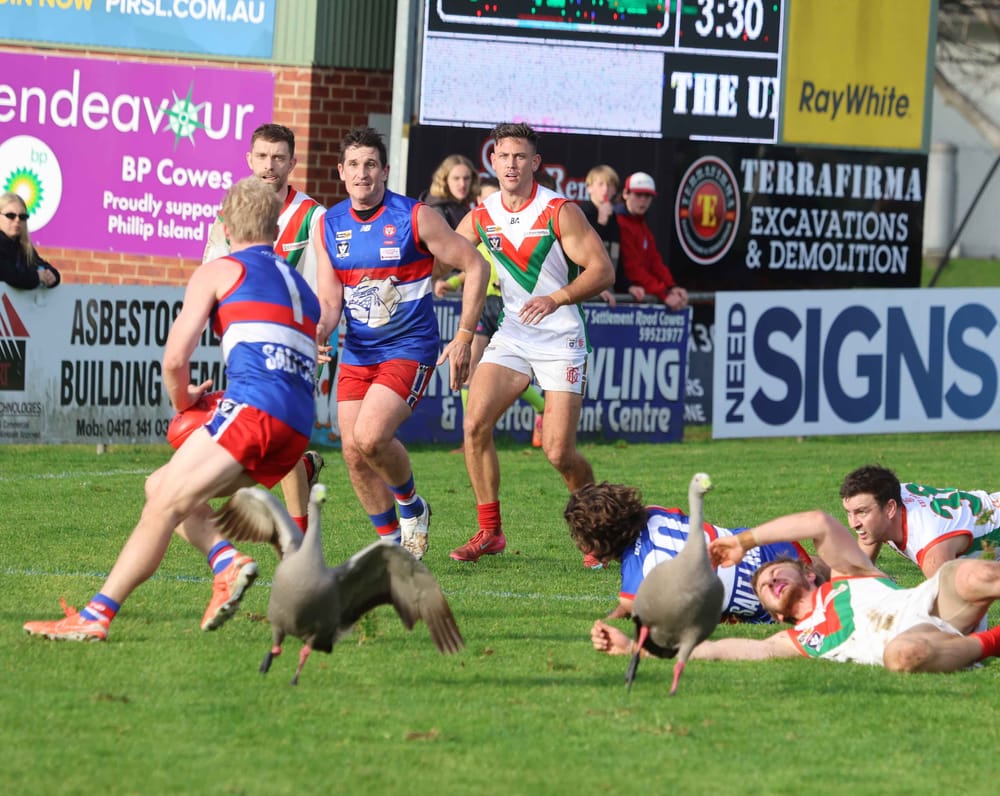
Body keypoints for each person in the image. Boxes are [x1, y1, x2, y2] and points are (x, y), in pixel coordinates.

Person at [24, 177, 325, 641]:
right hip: (298, 425)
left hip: (256, 411)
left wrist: (184, 403)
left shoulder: (219, 269)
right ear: (277, 227)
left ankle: (96, 615)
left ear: (225, 226)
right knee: (160, 486)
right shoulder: (300, 284)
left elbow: (174, 359)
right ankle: (226, 560)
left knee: (162, 506)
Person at [313, 127, 489, 560]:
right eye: (354, 165)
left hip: (410, 346)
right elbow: (331, 302)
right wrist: (317, 332)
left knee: (371, 436)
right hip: (358, 351)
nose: (362, 173)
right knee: (353, 451)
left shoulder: (415, 216)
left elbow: (475, 265)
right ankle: (392, 547)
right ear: (341, 171)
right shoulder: (329, 224)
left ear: (385, 170)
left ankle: (412, 507)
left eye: (371, 164)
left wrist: (464, 334)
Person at [449, 122, 615, 564]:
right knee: (474, 424)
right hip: (513, 335)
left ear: (535, 163)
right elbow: (442, 257)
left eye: (520, 156)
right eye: (504, 156)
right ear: (493, 161)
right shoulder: (482, 215)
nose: (511, 164)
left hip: (562, 338)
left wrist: (556, 298)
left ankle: (598, 529)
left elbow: (603, 270)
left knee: (559, 452)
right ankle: (490, 532)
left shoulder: (559, 211)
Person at [591, 508, 1000, 673]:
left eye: (775, 571)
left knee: (968, 576)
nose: (769, 580)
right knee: (902, 656)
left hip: (933, 603)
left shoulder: (850, 574)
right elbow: (711, 650)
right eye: (764, 587)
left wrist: (746, 541)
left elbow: (819, 522)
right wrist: (631, 648)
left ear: (808, 572)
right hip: (918, 642)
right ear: (776, 614)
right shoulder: (795, 641)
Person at [203, 123, 329, 533]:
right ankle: (300, 509)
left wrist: (318, 334)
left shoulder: (312, 216)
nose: (269, 165)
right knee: (271, 438)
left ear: (292, 163)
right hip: (247, 342)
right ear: (249, 159)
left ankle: (299, 539)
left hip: (297, 341)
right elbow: (213, 269)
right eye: (261, 156)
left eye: (278, 157)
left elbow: (325, 287)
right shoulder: (231, 212)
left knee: (279, 428)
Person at [565, 481, 823, 618]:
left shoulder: (632, 594)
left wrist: (613, 617)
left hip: (772, 599)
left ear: (597, 543)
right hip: (771, 547)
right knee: (829, 572)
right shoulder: (655, 512)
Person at [434, 177, 547, 450]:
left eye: (492, 198)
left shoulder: (513, 233)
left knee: (512, 373)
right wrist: (449, 282)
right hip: (482, 306)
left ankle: (542, 407)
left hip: (508, 307)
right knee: (469, 368)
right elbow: (472, 268)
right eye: (483, 199)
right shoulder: (478, 231)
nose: (488, 203)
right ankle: (470, 437)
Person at [840, 464, 1000, 578]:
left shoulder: (931, 550)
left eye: (862, 512)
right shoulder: (888, 496)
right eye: (849, 513)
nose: (853, 524)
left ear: (890, 508)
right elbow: (857, 569)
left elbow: (957, 607)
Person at [616, 172, 688, 311]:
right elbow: (633, 269)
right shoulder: (619, 222)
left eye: (647, 196)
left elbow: (654, 261)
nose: (643, 200)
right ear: (625, 194)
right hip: (619, 298)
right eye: (638, 195)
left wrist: (671, 286)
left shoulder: (641, 223)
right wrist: (664, 293)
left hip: (632, 298)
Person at [579, 165, 640, 306]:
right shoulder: (581, 213)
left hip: (607, 293)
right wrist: (600, 223)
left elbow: (615, 260)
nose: (605, 189)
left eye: (610, 185)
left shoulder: (614, 219)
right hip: (584, 295)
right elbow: (580, 257)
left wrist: (628, 287)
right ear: (589, 187)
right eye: (600, 184)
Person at [1, 192, 60, 289]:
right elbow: (8, 274)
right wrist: (37, 277)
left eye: (22, 217)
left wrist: (51, 275)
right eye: (11, 215)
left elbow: (41, 265)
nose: (17, 220)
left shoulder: (23, 247)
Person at [421, 153, 479, 230]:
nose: (462, 184)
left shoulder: (462, 208)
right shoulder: (436, 210)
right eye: (456, 178)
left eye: (466, 178)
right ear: (444, 180)